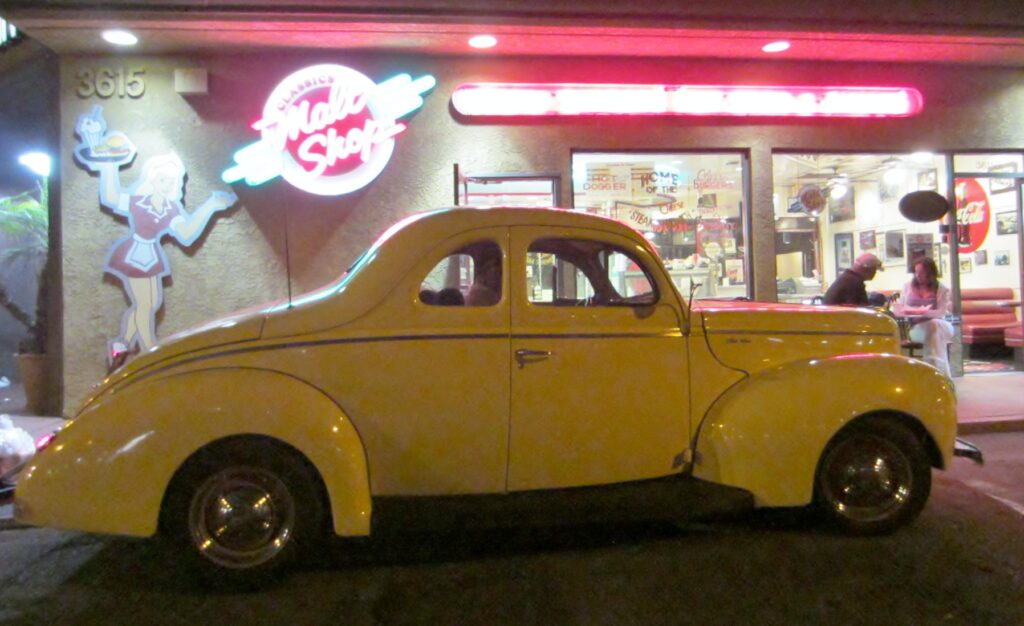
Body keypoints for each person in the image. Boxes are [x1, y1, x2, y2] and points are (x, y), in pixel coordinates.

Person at [895, 257, 954, 376]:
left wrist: (924, 312)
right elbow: (899, 309)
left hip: (941, 324)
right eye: (916, 272)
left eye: (922, 273)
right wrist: (911, 311)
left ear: (931, 273)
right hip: (916, 327)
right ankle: (941, 373)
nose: (918, 276)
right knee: (934, 333)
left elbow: (942, 312)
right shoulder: (907, 286)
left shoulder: (941, 289)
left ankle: (934, 371)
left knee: (934, 325)